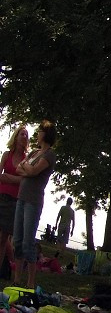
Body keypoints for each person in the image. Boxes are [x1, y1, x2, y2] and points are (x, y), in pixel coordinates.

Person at [11, 121, 58, 291]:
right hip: (21, 198)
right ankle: (17, 279)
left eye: (39, 131)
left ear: (46, 134)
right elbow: (19, 169)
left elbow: (33, 171)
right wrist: (27, 168)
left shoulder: (50, 155)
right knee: (17, 239)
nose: (37, 134)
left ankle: (30, 282)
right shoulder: (33, 152)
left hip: (33, 201)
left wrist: (27, 168)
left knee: (27, 242)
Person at [0, 125, 28, 276]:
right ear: (16, 137)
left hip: (14, 201)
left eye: (26, 135)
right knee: (1, 237)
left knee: (6, 237)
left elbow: (24, 180)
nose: (24, 136)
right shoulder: (6, 155)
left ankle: (9, 267)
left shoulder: (26, 160)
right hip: (1, 196)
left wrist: (9, 178)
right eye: (22, 134)